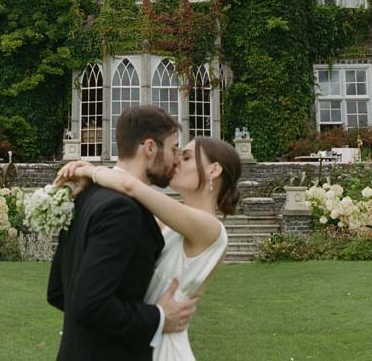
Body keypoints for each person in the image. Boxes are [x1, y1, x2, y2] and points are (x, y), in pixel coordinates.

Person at [55, 134, 243, 361]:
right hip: (140, 336)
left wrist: (90, 171)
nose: (176, 162)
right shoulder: (169, 223)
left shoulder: (210, 228)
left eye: (186, 157)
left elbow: (129, 186)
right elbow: (122, 208)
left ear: (214, 170)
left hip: (164, 347)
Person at [47, 106, 198, 361]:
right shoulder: (122, 210)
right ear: (150, 148)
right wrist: (160, 316)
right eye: (173, 148)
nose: (175, 159)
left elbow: (58, 292)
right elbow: (90, 305)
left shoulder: (86, 196)